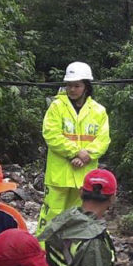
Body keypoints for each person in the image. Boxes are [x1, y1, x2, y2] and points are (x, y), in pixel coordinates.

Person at [38, 61, 110, 234]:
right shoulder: (56, 107)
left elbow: (103, 139)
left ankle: (73, 256)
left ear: (86, 86)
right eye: (69, 85)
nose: (72, 89)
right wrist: (76, 152)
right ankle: (43, 256)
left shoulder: (98, 111)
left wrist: (87, 155)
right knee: (51, 218)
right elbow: (51, 135)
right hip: (59, 176)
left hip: (84, 176)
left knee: (78, 219)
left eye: (77, 85)